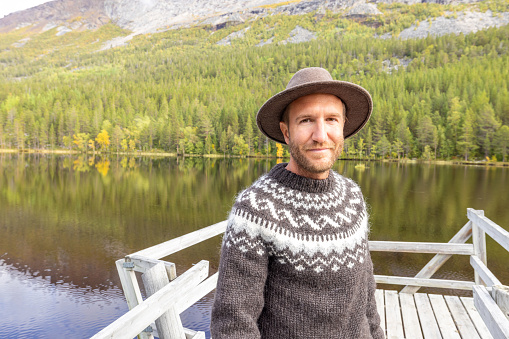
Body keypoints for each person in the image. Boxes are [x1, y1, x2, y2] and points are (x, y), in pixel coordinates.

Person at [211, 67, 384, 339]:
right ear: (286, 132)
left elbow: (366, 292)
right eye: (306, 120)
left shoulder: (352, 195)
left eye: (331, 119)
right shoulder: (255, 209)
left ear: (343, 127)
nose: (320, 134)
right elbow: (234, 325)